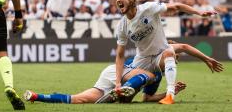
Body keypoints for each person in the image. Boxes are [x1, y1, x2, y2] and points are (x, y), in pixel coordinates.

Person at [23, 41, 223, 104]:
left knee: (78, 100)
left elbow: (148, 99)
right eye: (173, 61)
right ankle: (122, 91)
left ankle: (36, 96)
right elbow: (184, 46)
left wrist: (169, 94)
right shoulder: (152, 55)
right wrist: (207, 58)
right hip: (117, 74)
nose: (172, 63)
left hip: (114, 81)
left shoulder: (158, 75)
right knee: (148, 77)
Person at [113, 0, 217, 104]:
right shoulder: (121, 26)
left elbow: (176, 6)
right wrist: (117, 82)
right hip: (142, 60)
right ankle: (116, 91)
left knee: (169, 52)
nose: (117, 0)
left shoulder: (148, 8)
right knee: (124, 100)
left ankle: (170, 95)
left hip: (159, 56)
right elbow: (120, 55)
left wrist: (198, 12)